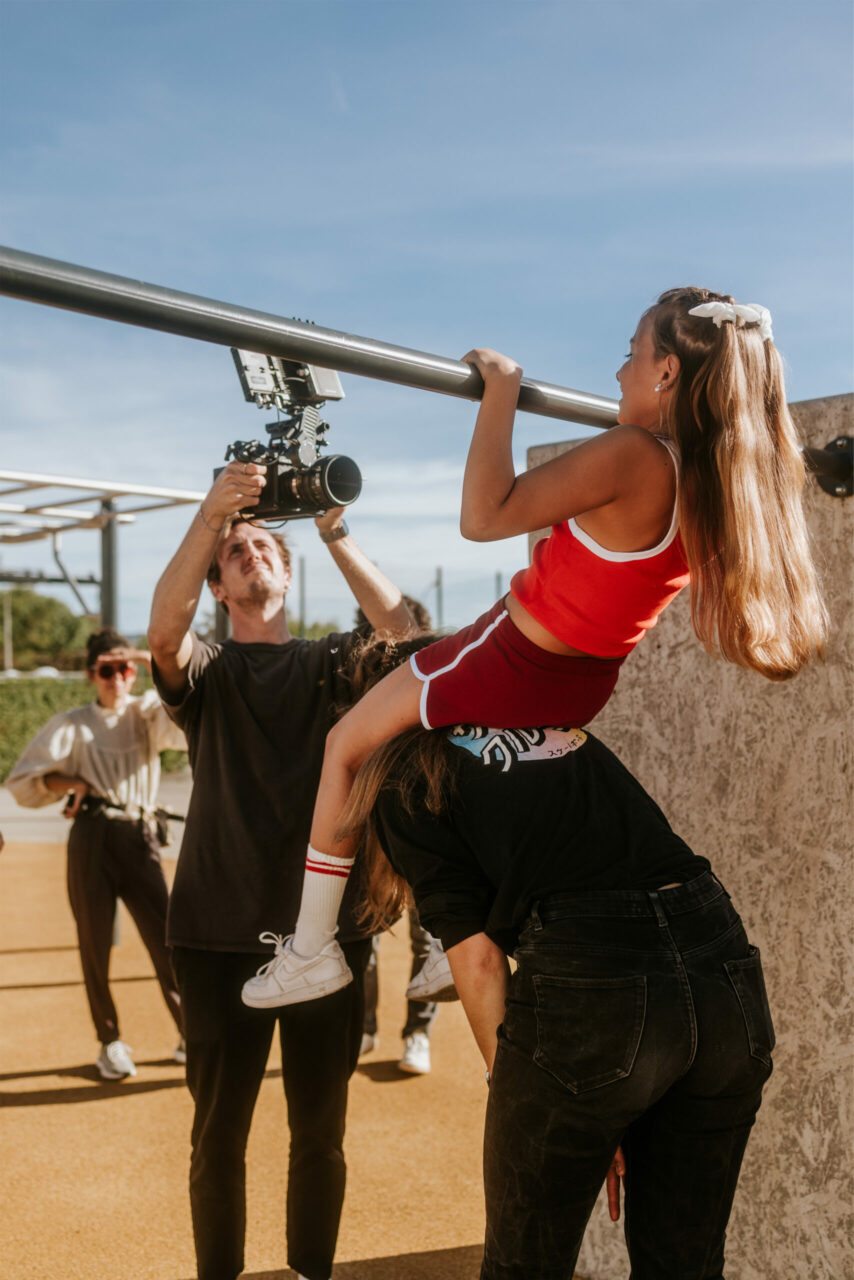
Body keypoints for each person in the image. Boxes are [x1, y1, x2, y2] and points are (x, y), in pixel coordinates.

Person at [242, 287, 827, 1009]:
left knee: (345, 747)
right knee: (442, 771)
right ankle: (453, 940)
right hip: (579, 684)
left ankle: (311, 949)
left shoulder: (636, 457)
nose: (619, 373)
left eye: (631, 355)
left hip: (508, 660)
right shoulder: (716, 479)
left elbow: (483, 518)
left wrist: (501, 392)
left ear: (667, 372)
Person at [337, 636, 776, 1278]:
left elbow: (479, 961)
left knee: (524, 1269)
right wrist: (603, 1096)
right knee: (687, 1266)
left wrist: (538, 1095)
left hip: (595, 974)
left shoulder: (404, 774)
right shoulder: (549, 724)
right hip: (721, 960)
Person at [146, 461, 415, 1280]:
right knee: (217, 1137)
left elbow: (404, 631)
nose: (252, 553)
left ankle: (310, 1272)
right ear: (219, 588)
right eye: (237, 553)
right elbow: (163, 633)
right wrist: (212, 518)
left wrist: (333, 529)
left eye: (265, 546)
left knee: (320, 1136)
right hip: (216, 937)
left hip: (327, 938)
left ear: (288, 575)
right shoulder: (208, 673)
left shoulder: (333, 662)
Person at [4, 629, 186, 1081]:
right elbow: (24, 781)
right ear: (91, 674)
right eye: (107, 670)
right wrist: (74, 784)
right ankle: (110, 1042)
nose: (117, 678)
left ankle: (191, 1034)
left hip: (139, 836)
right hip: (92, 837)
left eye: (125, 669)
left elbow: (183, 723)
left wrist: (146, 656)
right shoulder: (72, 724)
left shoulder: (147, 712)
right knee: (94, 943)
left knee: (168, 941)